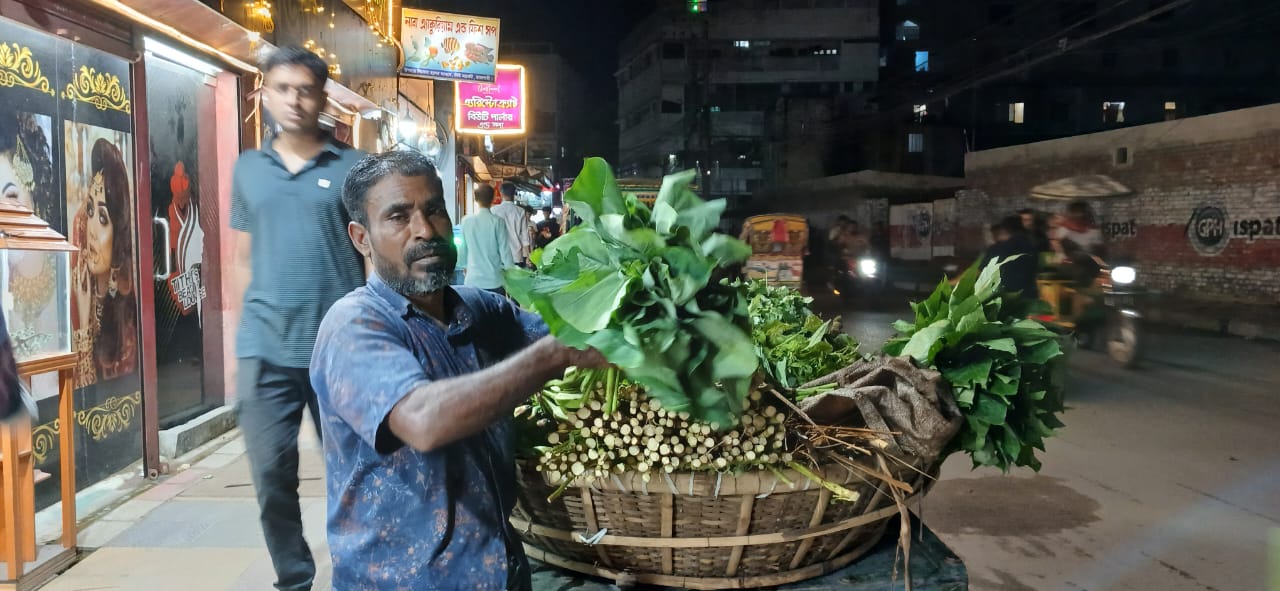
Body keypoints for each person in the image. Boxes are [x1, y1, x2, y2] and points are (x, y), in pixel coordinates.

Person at [310, 150, 605, 590]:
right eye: (398, 217)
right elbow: (422, 420)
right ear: (361, 238)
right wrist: (553, 356)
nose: (425, 231)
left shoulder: (478, 308)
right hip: (401, 581)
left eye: (434, 211)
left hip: (500, 571)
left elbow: (573, 333)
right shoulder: (353, 325)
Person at [229, 47, 366, 591]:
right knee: (270, 477)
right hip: (265, 352)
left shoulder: (353, 168)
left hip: (339, 352)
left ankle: (358, 571)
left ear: (322, 97)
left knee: (354, 472)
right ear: (264, 93)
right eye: (281, 88)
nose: (293, 99)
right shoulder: (248, 168)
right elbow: (240, 257)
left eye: (304, 89)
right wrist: (245, 336)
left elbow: (370, 257)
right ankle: (294, 579)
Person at [70, 138, 138, 385]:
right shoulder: (76, 293)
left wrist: (84, 337)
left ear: (118, 237)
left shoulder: (126, 317)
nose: (91, 230)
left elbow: (92, 391)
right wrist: (81, 313)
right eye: (89, 211)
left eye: (102, 217)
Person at [460, 184, 514, 295]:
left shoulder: (466, 221)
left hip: (472, 281)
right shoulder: (498, 222)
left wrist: (465, 266)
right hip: (495, 281)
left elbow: (462, 251)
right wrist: (512, 273)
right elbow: (505, 252)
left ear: (475, 199)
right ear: (493, 199)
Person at [981, 216, 1040, 300]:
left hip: (1003, 299)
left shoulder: (996, 249)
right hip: (1029, 298)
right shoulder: (1033, 248)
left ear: (1004, 231)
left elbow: (980, 273)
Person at [491, 182, 532, 266]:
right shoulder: (520, 211)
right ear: (514, 194)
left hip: (499, 255)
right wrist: (528, 256)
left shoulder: (494, 210)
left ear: (501, 193)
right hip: (516, 255)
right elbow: (525, 236)